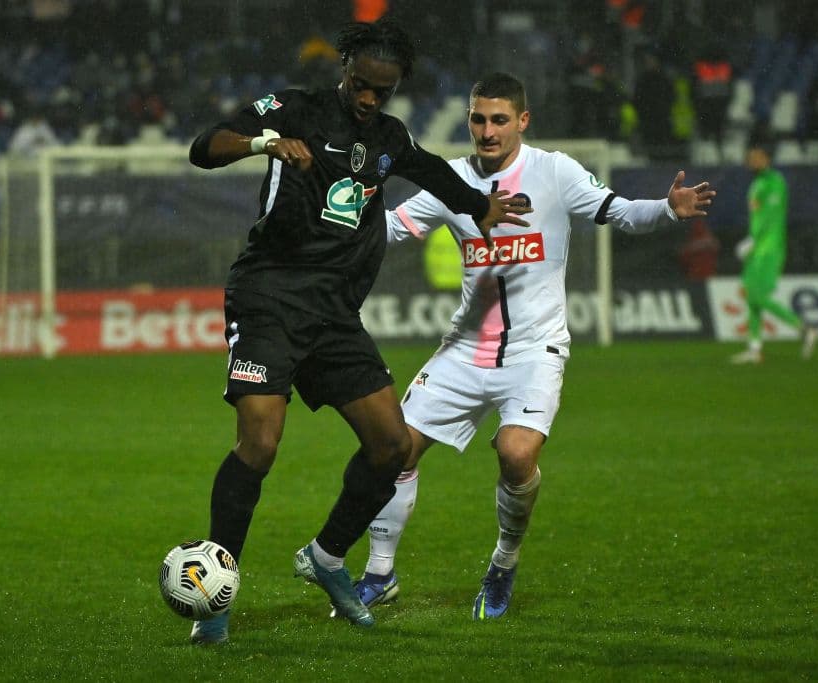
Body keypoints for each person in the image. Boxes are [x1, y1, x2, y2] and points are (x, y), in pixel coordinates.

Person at [185, 21, 530, 644]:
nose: (369, 99)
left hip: (334, 316)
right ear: (343, 67)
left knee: (392, 445)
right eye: (361, 85)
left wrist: (483, 207)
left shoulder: (390, 138)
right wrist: (264, 144)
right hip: (268, 297)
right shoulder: (294, 108)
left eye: (383, 90)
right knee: (260, 443)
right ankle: (215, 594)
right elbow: (205, 146)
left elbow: (431, 172)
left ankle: (325, 556)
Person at [352, 72, 716, 619]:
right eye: (478, 119)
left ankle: (503, 563)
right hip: (464, 347)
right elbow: (390, 228)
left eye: (500, 120)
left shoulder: (553, 172)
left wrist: (667, 208)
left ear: (522, 121)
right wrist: (331, 216)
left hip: (534, 351)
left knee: (516, 454)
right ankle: (379, 574)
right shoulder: (452, 182)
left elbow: (618, 211)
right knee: (395, 450)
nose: (487, 131)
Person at [731, 139, 818, 364]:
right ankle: (754, 348)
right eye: (750, 157)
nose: (752, 161)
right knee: (751, 298)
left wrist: (753, 239)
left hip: (769, 248)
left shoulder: (774, 182)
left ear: (767, 159)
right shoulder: (756, 184)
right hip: (757, 249)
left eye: (757, 156)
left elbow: (770, 216)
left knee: (758, 296)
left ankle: (804, 328)